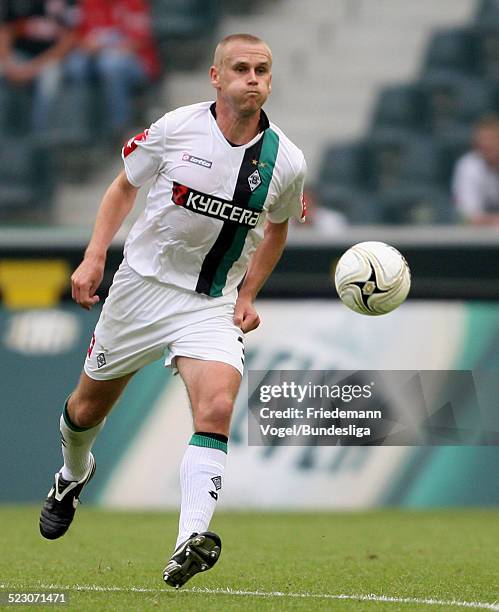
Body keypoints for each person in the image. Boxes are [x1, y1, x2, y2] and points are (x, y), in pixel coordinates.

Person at [39, 33, 306, 588]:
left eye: (262, 70)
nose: (252, 79)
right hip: (140, 288)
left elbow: (277, 227)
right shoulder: (175, 128)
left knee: (215, 408)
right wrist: (93, 258)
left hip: (209, 302)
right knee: (86, 409)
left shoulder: (286, 161)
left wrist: (250, 293)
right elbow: (121, 189)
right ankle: (71, 474)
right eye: (241, 69)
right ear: (216, 77)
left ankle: (189, 540)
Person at [65, 0, 161, 139]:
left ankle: (120, 126)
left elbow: (138, 42)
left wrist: (104, 47)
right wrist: (88, 46)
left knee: (110, 64)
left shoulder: (133, 3)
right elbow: (76, 37)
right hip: (98, 59)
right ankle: (83, 126)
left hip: (139, 62)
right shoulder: (88, 3)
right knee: (75, 66)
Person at [0, 0, 77, 131]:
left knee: (51, 79)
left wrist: (32, 68)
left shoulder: (66, 3)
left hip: (50, 59)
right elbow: (5, 31)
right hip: (18, 56)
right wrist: (9, 64)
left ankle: (40, 135)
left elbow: (69, 40)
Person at [452, 114, 499, 225]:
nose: (487, 144)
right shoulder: (467, 166)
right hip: (476, 237)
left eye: (493, 139)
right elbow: (468, 215)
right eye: (483, 139)